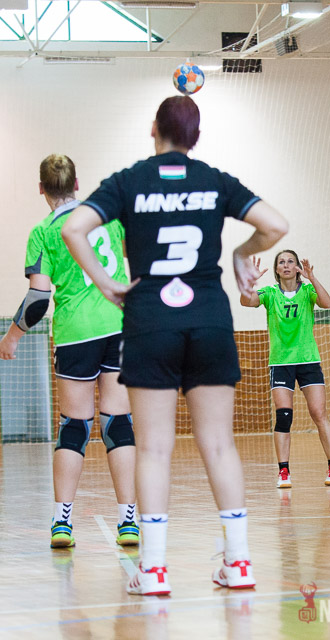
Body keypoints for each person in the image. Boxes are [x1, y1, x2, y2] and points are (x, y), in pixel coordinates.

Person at [60, 96, 289, 595]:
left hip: (150, 322)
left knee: (154, 448)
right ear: (196, 138)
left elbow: (74, 227)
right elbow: (276, 225)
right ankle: (240, 563)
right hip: (209, 320)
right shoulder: (215, 180)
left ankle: (155, 570)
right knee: (219, 444)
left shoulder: (129, 181)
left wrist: (104, 282)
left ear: (153, 129)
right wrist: (241, 253)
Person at [0, 154, 139, 549]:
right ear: (77, 184)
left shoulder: (44, 232)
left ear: (41, 189)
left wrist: (12, 337)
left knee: (74, 426)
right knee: (118, 423)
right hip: (119, 325)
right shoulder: (106, 217)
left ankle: (62, 522)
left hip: (76, 333)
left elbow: (38, 299)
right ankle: (128, 521)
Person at [240, 250, 330, 488]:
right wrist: (250, 281)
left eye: (290, 261)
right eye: (281, 262)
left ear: (297, 267)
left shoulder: (307, 291)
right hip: (280, 363)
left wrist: (312, 278)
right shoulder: (269, 293)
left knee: (319, 414)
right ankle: (283, 472)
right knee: (284, 416)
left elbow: (327, 303)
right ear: (276, 269)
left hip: (308, 360)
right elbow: (246, 301)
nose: (286, 265)